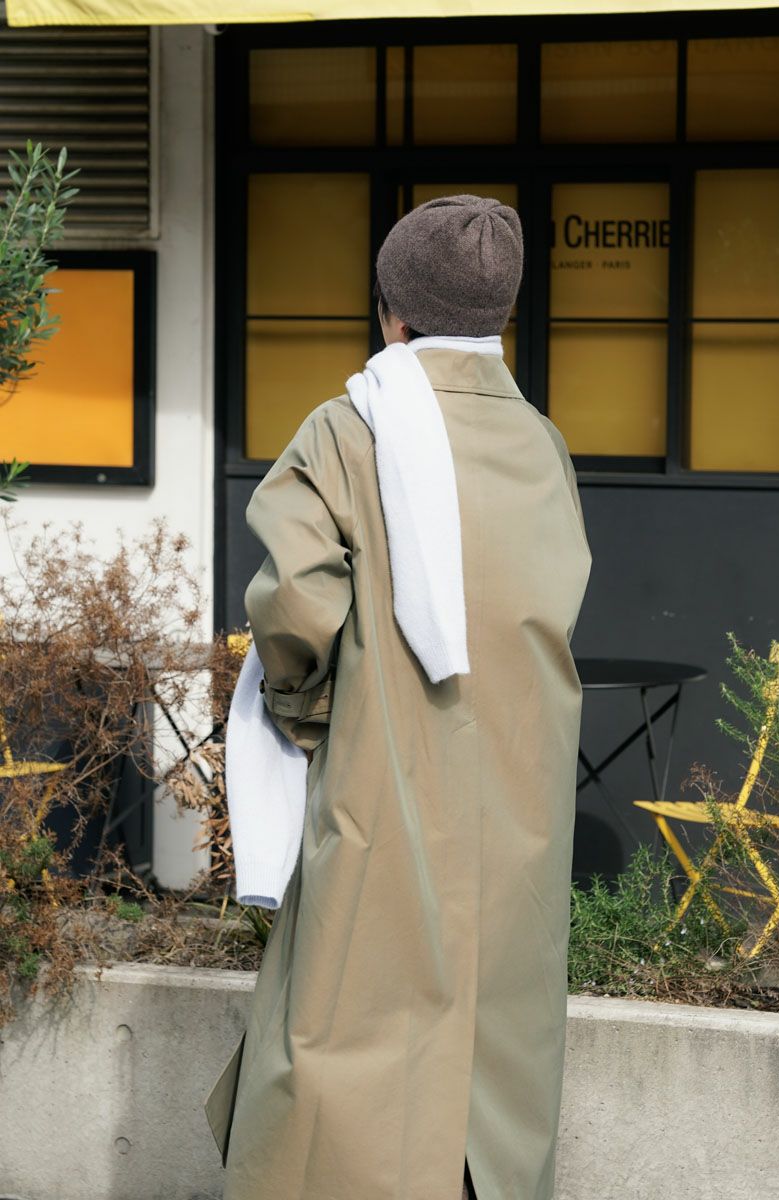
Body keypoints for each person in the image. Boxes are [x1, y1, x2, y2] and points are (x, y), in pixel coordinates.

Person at [205, 195, 592, 1200]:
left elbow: (293, 605)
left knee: (341, 1045)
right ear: (501, 315)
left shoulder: (348, 431)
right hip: (516, 805)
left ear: (394, 314)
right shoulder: (542, 444)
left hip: (381, 785)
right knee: (493, 1063)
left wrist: (307, 717)